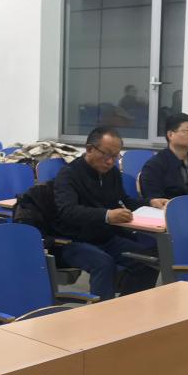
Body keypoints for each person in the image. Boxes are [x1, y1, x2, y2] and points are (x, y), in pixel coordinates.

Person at [54, 127, 163, 301]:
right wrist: (106, 215)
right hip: (73, 240)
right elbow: (68, 211)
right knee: (103, 263)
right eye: (106, 155)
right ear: (89, 149)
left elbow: (124, 201)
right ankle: (102, 315)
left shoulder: (111, 173)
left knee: (148, 260)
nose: (111, 161)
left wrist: (150, 202)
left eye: (116, 156)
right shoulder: (68, 174)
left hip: (105, 237)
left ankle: (129, 306)